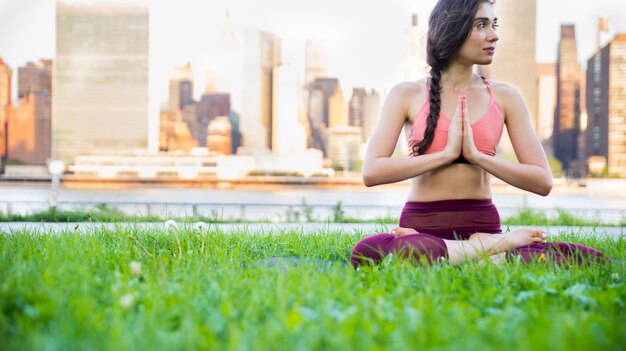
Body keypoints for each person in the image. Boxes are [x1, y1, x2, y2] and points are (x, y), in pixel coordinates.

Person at [350, 0, 608, 268]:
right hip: (423, 230)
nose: (494, 35)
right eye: (482, 25)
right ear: (453, 29)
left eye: (494, 25)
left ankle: (468, 254)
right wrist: (446, 154)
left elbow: (542, 181)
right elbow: (372, 171)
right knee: (367, 250)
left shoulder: (506, 96)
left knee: (592, 260)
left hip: (482, 225)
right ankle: (488, 253)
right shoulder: (406, 94)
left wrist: (478, 156)